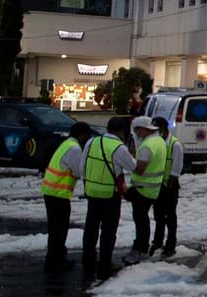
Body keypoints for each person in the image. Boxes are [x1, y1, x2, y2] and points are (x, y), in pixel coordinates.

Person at [81, 117, 136, 280]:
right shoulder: (118, 147)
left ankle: (88, 258)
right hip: (109, 194)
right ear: (121, 131)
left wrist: (86, 183)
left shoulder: (92, 142)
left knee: (91, 227)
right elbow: (132, 166)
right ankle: (105, 262)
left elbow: (82, 165)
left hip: (91, 191)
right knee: (108, 230)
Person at [40, 121, 93, 273]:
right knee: (59, 229)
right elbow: (78, 171)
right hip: (58, 194)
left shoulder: (66, 144)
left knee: (55, 228)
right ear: (82, 135)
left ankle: (55, 258)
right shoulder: (74, 149)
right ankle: (56, 261)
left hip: (51, 192)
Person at [124, 116, 167, 264]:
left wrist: (129, 163)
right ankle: (141, 248)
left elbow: (140, 169)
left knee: (141, 220)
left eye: (137, 131)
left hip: (142, 189)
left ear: (143, 129)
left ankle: (140, 249)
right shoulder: (159, 141)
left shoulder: (147, 146)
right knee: (143, 220)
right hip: (153, 188)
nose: (136, 134)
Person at [149, 116, 182, 257]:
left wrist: (170, 182)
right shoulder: (155, 143)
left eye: (157, 130)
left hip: (170, 186)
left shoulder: (175, 145)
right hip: (157, 185)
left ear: (164, 129)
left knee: (170, 216)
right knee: (158, 215)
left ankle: (170, 243)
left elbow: (176, 167)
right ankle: (157, 241)